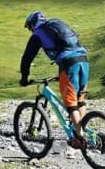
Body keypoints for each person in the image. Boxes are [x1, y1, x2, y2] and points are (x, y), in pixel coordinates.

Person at [19, 11, 90, 147]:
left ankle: (80, 139)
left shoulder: (38, 34)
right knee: (80, 99)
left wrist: (24, 77)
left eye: (29, 27)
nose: (30, 30)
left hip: (68, 63)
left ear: (33, 25)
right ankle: (83, 130)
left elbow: (27, 57)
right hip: (84, 60)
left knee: (71, 104)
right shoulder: (57, 25)